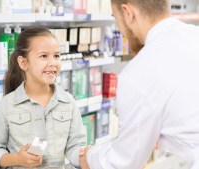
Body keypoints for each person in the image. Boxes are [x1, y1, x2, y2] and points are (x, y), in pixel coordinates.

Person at [79, 0, 199, 169]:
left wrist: (89, 158)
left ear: (128, 13)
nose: (120, 30)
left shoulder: (139, 71)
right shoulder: (194, 35)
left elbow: (124, 163)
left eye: (116, 18)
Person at [0, 27, 86, 169]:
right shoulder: (7, 105)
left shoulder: (68, 102)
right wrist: (16, 159)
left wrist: (84, 155)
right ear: (23, 63)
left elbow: (75, 146)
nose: (52, 62)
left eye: (56, 56)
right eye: (44, 56)